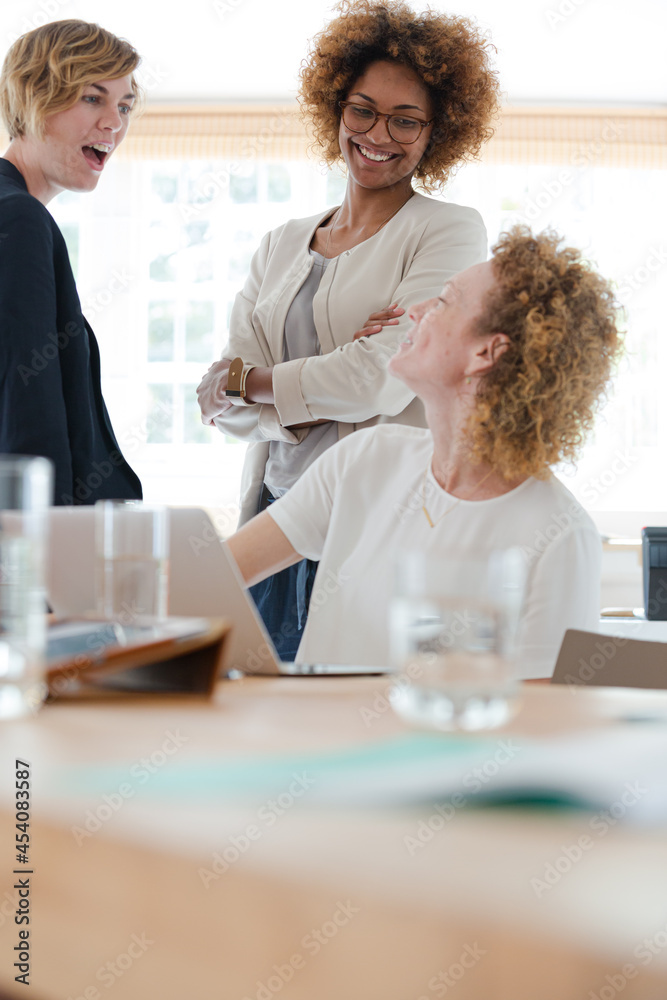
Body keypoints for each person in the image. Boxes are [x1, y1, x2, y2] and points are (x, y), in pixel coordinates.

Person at [197, 0, 499, 658]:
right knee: (260, 723)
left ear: (435, 132)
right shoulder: (280, 243)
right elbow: (219, 401)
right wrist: (284, 385)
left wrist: (257, 383)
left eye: (404, 120)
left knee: (357, 721)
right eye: (361, 109)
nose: (377, 134)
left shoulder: (446, 229)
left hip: (374, 525)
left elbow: (378, 384)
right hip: (272, 519)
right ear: (336, 106)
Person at [226, 226, 623, 680]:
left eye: (443, 301)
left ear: (486, 353)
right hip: (307, 744)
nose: (415, 310)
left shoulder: (559, 534)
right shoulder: (365, 458)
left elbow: (541, 728)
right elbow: (213, 574)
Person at [0, 19, 142, 505]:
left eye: (124, 105)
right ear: (33, 98)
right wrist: (40, 563)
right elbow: (28, 414)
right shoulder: (18, 219)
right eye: (92, 98)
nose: (114, 123)